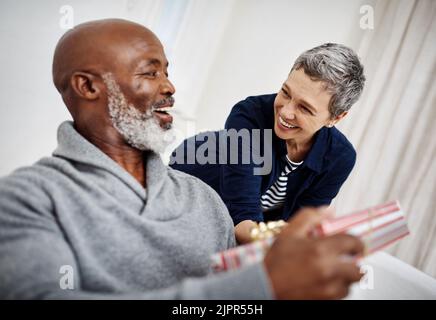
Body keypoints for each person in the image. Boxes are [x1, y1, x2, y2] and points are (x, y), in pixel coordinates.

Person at [0, 19, 364, 300]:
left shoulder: (206, 204)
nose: (170, 87)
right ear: (89, 87)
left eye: (168, 72)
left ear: (334, 119)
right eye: (150, 72)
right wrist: (263, 283)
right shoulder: (26, 198)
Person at [170, 43, 365, 244]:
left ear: (336, 117)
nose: (285, 112)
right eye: (286, 93)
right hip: (187, 188)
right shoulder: (249, 115)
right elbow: (242, 220)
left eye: (305, 108)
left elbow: (301, 224)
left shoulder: (340, 157)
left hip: (238, 224)